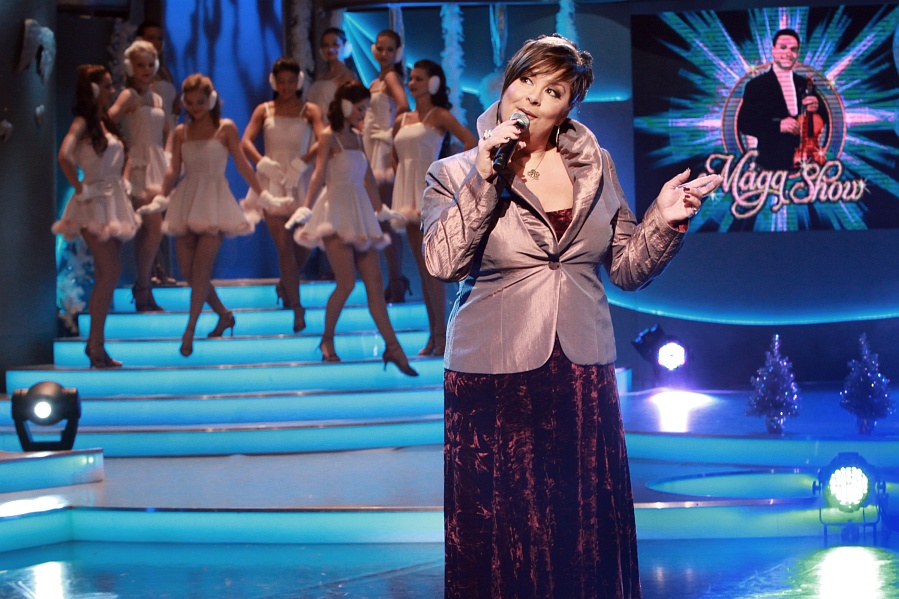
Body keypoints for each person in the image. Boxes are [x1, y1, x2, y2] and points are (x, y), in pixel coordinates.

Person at [421, 35, 723, 597]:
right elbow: (443, 262)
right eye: (526, 80)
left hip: (580, 373)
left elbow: (627, 267)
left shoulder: (596, 165)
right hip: (493, 374)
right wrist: (485, 177)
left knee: (581, 533)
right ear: (507, 83)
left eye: (553, 91)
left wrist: (664, 219)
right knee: (504, 534)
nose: (534, 98)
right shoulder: (453, 171)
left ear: (568, 107)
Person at [146, 73, 287, 357]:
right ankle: (224, 315)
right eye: (190, 102)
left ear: (211, 100)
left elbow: (243, 165)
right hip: (187, 200)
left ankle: (189, 330)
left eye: (200, 101)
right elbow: (173, 169)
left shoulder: (225, 128)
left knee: (201, 271)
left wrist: (262, 194)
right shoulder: (182, 132)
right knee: (189, 273)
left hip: (214, 202)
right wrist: (161, 195)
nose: (195, 107)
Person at [288, 81, 417, 377]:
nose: (363, 114)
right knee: (345, 283)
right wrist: (306, 207)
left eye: (365, 109)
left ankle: (393, 348)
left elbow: (368, 178)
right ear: (345, 106)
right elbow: (318, 174)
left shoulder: (357, 139)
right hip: (335, 211)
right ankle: (327, 339)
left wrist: (380, 210)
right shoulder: (328, 136)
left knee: (375, 283)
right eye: (360, 108)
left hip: (360, 213)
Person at [53, 65, 141, 368]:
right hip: (93, 203)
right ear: (92, 90)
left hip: (114, 200)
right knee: (110, 270)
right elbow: (64, 156)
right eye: (106, 86)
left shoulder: (105, 121)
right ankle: (94, 345)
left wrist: (124, 181)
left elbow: (126, 155)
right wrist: (81, 188)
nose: (112, 90)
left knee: (108, 274)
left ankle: (97, 346)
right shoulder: (82, 123)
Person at [392, 59, 476, 357]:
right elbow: (394, 156)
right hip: (406, 196)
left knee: (432, 270)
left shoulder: (439, 115)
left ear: (433, 82)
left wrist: (448, 175)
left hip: (428, 195)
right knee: (421, 268)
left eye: (418, 78)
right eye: (411, 78)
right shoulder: (402, 119)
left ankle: (443, 336)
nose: (412, 83)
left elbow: (470, 141)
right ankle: (434, 336)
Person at [241, 57, 325, 333]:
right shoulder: (264, 110)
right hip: (273, 181)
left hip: (301, 179)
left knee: (305, 243)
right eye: (281, 81)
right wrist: (263, 163)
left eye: (291, 81)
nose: (286, 86)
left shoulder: (309, 110)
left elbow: (324, 139)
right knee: (285, 247)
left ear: (298, 81)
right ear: (273, 82)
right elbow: (245, 142)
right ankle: (297, 308)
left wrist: (302, 161)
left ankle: (285, 284)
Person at [109, 39, 170, 312]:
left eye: (149, 64)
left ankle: (144, 288)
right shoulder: (128, 95)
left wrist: (168, 155)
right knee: (152, 227)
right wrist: (123, 149)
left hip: (157, 164)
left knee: (151, 230)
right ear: (130, 67)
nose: (145, 70)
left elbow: (168, 131)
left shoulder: (157, 98)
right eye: (140, 65)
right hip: (138, 166)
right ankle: (143, 287)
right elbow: (108, 120)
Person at [737, 28, 829, 171]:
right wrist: (778, 126)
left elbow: (825, 117)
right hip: (771, 166)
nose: (788, 53)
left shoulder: (805, 84)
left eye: (793, 49)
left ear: (797, 54)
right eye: (783, 47)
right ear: (773, 51)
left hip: (807, 165)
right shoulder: (756, 85)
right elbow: (745, 124)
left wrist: (817, 108)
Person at [362, 29, 410, 304]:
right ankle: (395, 279)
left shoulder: (391, 77)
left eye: (390, 49)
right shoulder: (375, 81)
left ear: (397, 52)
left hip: (382, 151)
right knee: (380, 219)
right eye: (380, 48)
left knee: (385, 219)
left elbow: (403, 106)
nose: (384, 54)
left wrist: (389, 134)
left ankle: (396, 280)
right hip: (372, 148)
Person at [307, 27, 357, 124]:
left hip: (332, 127)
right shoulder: (320, 76)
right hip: (313, 127)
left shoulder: (347, 76)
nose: (330, 49)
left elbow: (351, 109)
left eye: (335, 44)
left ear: (345, 46)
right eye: (326, 45)